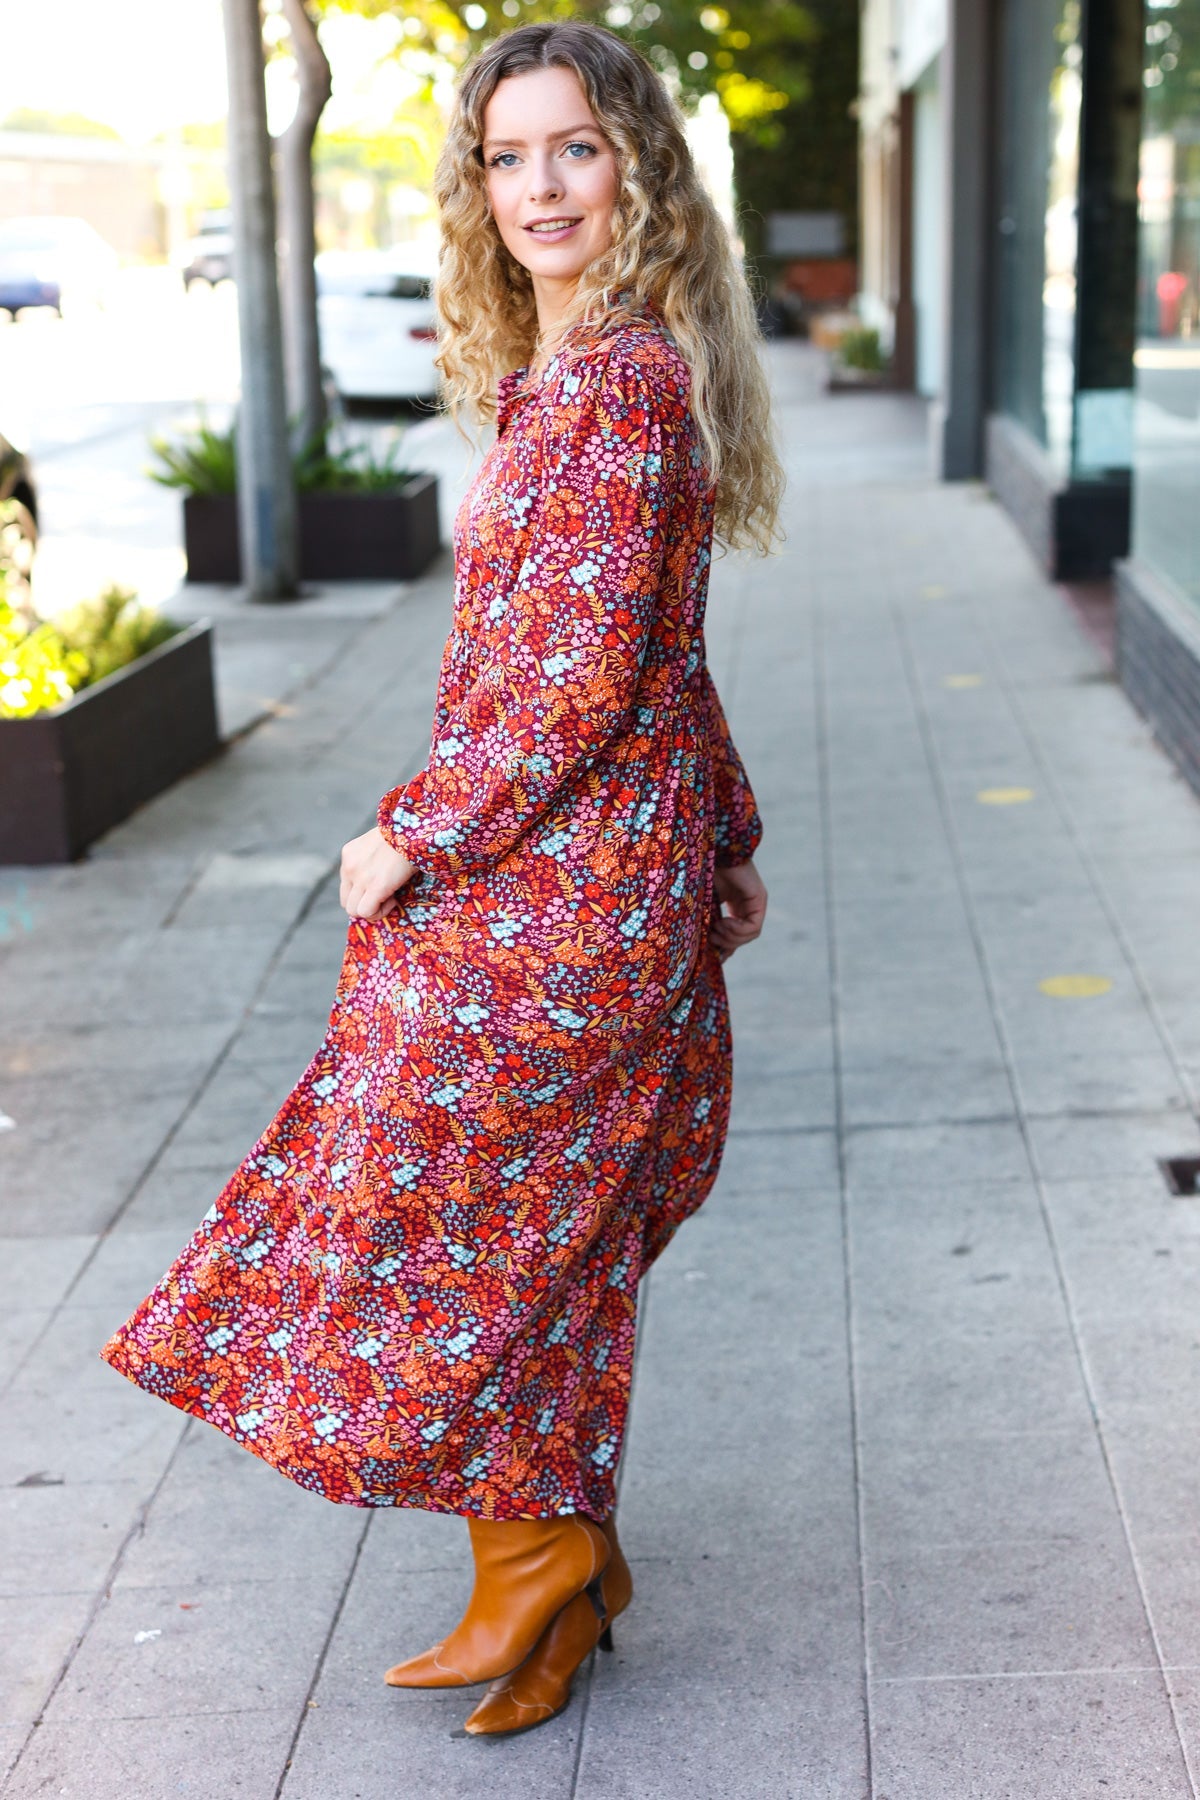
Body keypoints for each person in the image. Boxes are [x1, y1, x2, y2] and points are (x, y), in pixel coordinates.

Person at [102, 18, 780, 1740]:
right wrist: (737, 837)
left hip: (554, 879)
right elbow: (667, 658)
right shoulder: (585, 370)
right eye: (507, 156)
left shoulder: (619, 380)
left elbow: (579, 671)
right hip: (596, 859)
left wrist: (421, 829)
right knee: (524, 1226)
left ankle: (535, 1555)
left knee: (446, 1210)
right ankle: (552, 1576)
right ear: (475, 183)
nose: (540, 186)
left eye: (576, 149)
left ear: (638, 166)